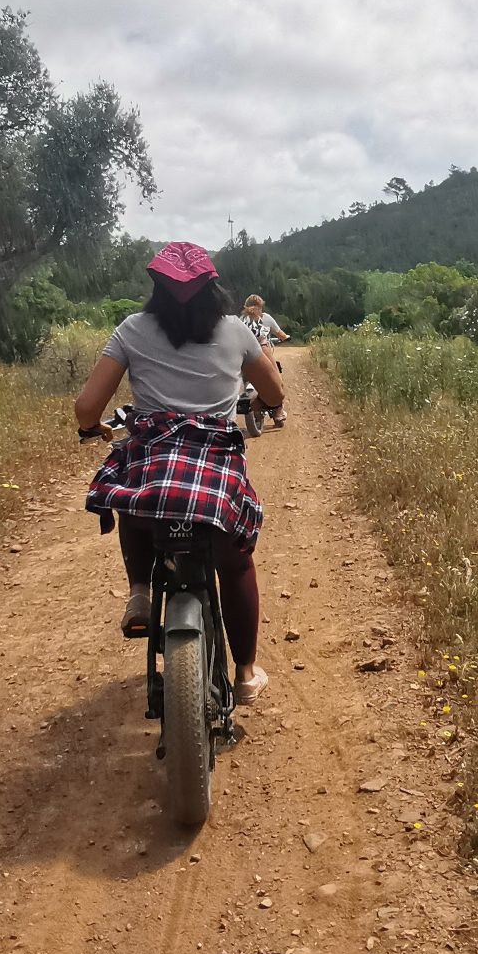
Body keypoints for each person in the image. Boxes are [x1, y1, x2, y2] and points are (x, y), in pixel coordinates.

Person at [75, 243, 285, 699]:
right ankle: (246, 674)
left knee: (130, 490)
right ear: (214, 287)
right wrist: (269, 403)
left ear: (157, 288)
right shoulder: (235, 331)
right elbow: (275, 391)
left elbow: (87, 408)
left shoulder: (132, 329)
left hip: (157, 459)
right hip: (214, 467)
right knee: (235, 561)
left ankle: (139, 592)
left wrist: (92, 427)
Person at [241, 292, 289, 427]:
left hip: (243, 356)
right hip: (262, 350)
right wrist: (285, 337)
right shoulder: (265, 318)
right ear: (260, 306)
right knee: (277, 382)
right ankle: (278, 412)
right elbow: (280, 334)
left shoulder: (240, 319)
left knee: (245, 380)